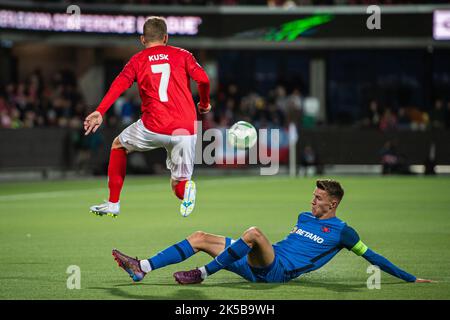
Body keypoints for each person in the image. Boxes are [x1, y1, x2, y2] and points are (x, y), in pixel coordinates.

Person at [112, 179, 433, 284]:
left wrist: (410, 278)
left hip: (277, 271)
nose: (312, 200)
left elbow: (372, 255)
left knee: (253, 232)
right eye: (314, 195)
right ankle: (143, 268)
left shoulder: (343, 232)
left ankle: (202, 273)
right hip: (262, 260)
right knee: (199, 236)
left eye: (319, 198)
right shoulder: (304, 216)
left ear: (333, 203)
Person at [84, 17, 211, 218]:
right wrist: (204, 103)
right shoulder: (183, 55)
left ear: (143, 39)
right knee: (179, 184)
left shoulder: (137, 60)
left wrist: (100, 110)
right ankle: (187, 188)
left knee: (118, 145)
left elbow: (119, 85)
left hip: (153, 127)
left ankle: (113, 203)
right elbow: (203, 79)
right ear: (166, 37)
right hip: (185, 129)